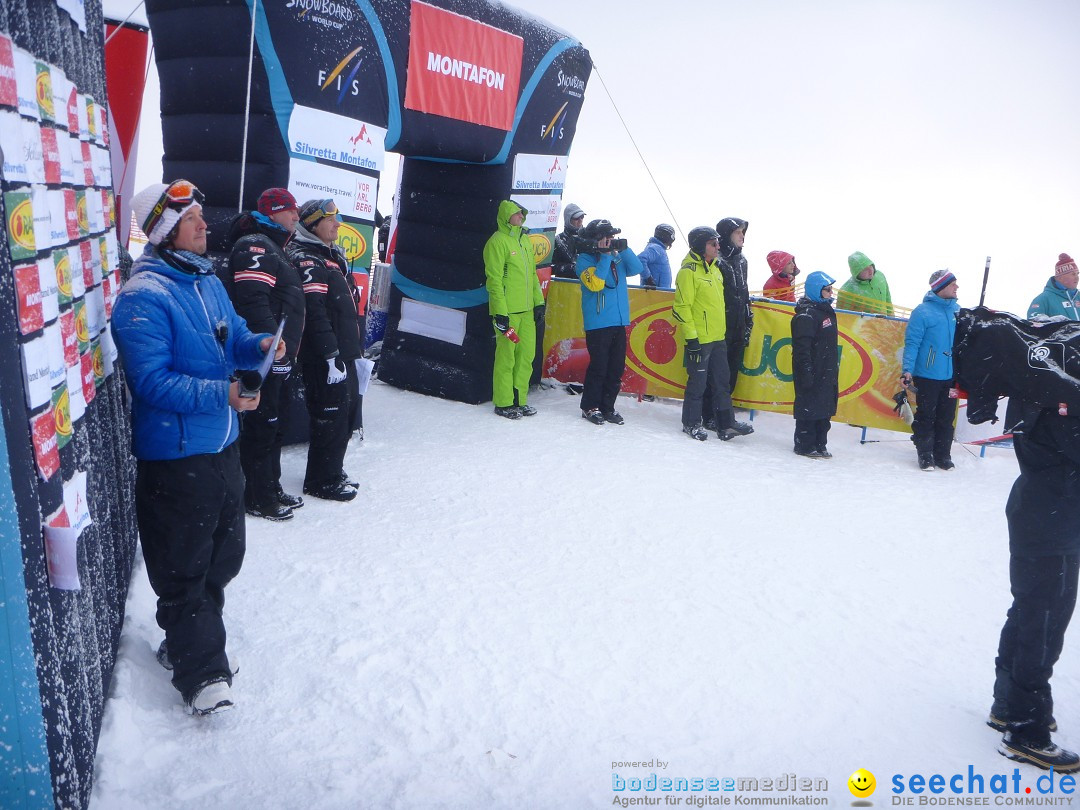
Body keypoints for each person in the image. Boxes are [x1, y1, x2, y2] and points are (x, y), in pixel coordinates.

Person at [112, 180, 285, 715]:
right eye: (192, 221)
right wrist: (223, 393)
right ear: (166, 232)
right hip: (176, 460)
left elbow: (231, 333)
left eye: (201, 218)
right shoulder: (143, 297)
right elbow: (152, 382)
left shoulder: (207, 280)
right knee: (183, 568)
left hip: (222, 450)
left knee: (223, 557)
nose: (205, 227)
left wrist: (257, 342)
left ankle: (184, 641)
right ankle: (204, 672)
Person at [988, 398, 1080, 771]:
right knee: (1042, 622)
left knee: (1032, 612)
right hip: (1050, 518)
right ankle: (1026, 731)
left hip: (1048, 511)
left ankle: (1009, 705)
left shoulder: (1043, 384)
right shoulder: (1059, 396)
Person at [225, 187, 306, 521]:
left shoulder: (277, 246)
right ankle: (257, 497)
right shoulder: (254, 245)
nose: (296, 216)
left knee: (275, 424)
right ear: (273, 211)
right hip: (264, 358)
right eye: (290, 210)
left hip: (280, 355)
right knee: (263, 424)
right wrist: (273, 351)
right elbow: (253, 303)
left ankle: (269, 487)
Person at [289, 199, 363, 501]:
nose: (337, 223)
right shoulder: (308, 259)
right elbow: (315, 313)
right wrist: (330, 354)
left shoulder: (329, 256)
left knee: (343, 414)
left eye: (338, 217)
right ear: (312, 224)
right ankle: (321, 480)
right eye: (331, 218)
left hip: (342, 350)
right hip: (323, 355)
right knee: (329, 414)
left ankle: (333, 469)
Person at [672, 226, 754, 441]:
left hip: (718, 337)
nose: (718, 247)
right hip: (699, 338)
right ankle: (691, 423)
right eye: (713, 243)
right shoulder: (688, 272)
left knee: (722, 382)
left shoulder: (716, 269)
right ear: (701, 246)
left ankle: (726, 423)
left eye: (718, 243)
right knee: (697, 384)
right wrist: (692, 338)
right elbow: (681, 308)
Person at [574, 219, 643, 424]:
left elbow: (637, 268)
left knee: (615, 368)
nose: (610, 241)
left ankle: (607, 407)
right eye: (607, 238)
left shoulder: (616, 256)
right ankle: (590, 406)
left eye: (612, 238)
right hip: (598, 323)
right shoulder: (585, 260)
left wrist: (624, 249)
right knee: (599, 367)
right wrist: (604, 258)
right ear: (595, 240)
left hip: (619, 321)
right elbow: (595, 284)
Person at [484, 199, 544, 419]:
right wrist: (500, 312)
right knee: (507, 358)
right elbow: (494, 280)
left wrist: (538, 302)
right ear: (506, 216)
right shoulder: (497, 242)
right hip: (508, 313)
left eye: (522, 213)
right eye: (517, 213)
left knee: (526, 356)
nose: (521, 216)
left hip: (527, 311)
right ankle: (504, 402)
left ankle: (520, 400)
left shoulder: (524, 240)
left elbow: (532, 276)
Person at [901, 270, 959, 471]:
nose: (957, 287)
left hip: (951, 376)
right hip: (927, 375)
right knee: (926, 415)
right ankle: (925, 455)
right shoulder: (922, 312)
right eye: (953, 284)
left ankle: (943, 455)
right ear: (941, 287)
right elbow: (912, 343)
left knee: (946, 416)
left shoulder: (957, 311)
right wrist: (907, 370)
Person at [791, 271, 839, 458]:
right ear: (816, 290)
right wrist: (806, 372)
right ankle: (804, 443)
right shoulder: (806, 315)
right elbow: (802, 349)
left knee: (824, 407)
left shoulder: (826, 312)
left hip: (826, 369)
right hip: (811, 369)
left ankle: (820, 442)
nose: (830, 293)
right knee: (809, 406)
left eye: (830, 289)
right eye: (827, 290)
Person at [716, 217, 753, 394]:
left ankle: (724, 414)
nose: (742, 236)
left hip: (738, 326)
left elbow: (744, 293)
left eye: (743, 232)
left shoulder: (742, 261)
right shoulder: (716, 260)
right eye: (738, 232)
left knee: (732, 374)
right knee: (716, 375)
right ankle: (710, 415)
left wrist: (748, 320)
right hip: (720, 327)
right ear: (726, 234)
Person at [837, 251, 893, 315]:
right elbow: (842, 317)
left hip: (885, 322)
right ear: (857, 272)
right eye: (865, 269)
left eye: (870, 266)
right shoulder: (846, 291)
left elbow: (888, 299)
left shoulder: (880, 276)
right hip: (863, 324)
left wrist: (892, 319)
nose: (870, 271)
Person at [1028, 253, 1079, 320]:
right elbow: (1033, 321)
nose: (1077, 278)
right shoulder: (1044, 299)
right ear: (1061, 277)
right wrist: (1053, 323)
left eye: (1077, 274)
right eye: (1073, 274)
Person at [551, 203, 585, 279]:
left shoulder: (589, 238)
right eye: (576, 218)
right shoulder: (557, 240)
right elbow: (550, 267)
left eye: (582, 217)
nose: (580, 220)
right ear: (568, 219)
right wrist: (569, 268)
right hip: (565, 287)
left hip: (586, 288)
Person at [637, 224, 675, 289]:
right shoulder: (656, 248)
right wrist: (648, 279)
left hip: (660, 292)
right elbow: (640, 259)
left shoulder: (658, 248)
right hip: (655, 293)